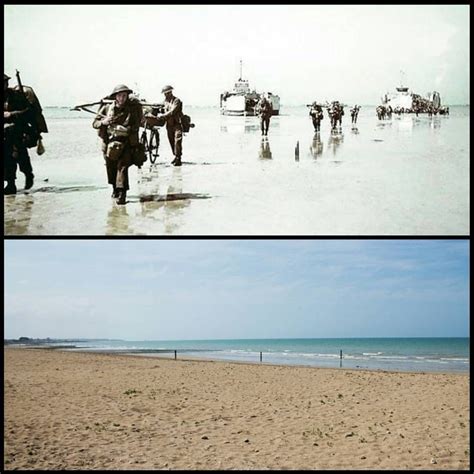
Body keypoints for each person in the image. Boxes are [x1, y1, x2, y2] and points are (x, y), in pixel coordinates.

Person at [93, 84, 143, 205]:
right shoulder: (106, 108)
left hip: (125, 142)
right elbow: (95, 123)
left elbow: (138, 123)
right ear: (115, 97)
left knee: (123, 167)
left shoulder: (131, 109)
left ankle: (122, 193)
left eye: (124, 96)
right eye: (119, 96)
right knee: (111, 167)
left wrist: (128, 128)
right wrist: (103, 122)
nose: (122, 98)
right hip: (109, 142)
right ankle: (115, 188)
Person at [4, 73, 35, 194]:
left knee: (21, 157)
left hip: (17, 132)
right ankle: (11, 184)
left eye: (5, 82)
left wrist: (12, 114)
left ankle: (28, 174)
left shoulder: (17, 96)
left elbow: (28, 111)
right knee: (7, 159)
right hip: (4, 135)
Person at [156, 85, 184, 166]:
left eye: (167, 93)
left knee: (177, 141)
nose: (166, 95)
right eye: (165, 94)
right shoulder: (165, 102)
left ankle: (178, 158)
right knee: (171, 141)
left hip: (177, 124)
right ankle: (176, 156)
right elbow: (160, 108)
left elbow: (172, 111)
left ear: (170, 92)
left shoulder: (176, 101)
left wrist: (163, 115)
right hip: (169, 125)